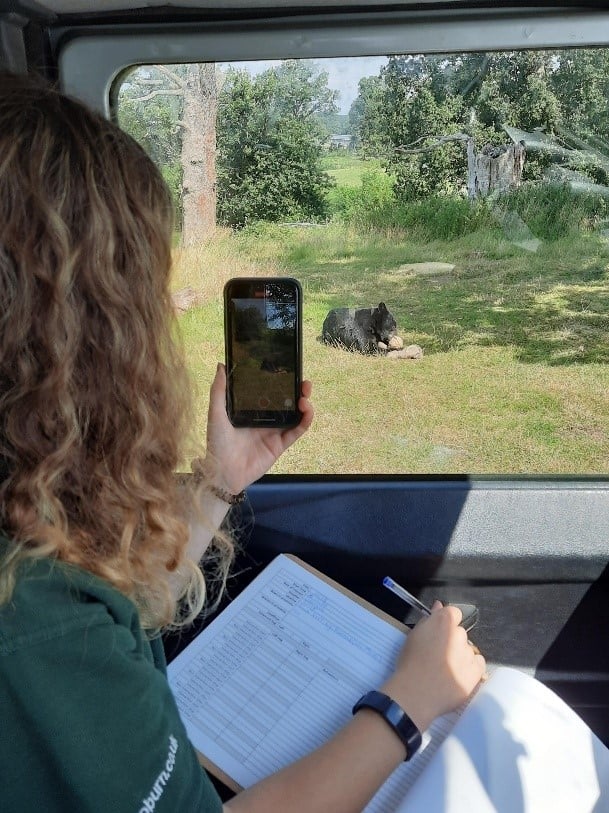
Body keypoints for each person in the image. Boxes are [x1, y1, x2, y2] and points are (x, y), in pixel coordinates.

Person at [0, 71, 486, 813]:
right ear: (77, 339)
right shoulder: (34, 630)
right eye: (138, 292)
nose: (161, 317)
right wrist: (407, 704)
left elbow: (113, 607)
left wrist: (221, 478)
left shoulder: (32, 543)